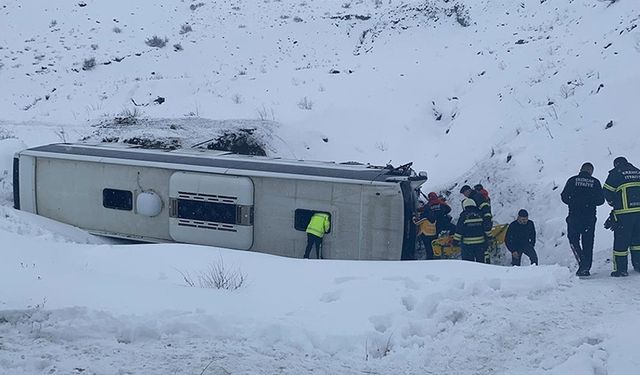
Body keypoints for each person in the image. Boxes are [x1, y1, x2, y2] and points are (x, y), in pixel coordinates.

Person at [561, 162, 605, 276]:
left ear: (581, 169)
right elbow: (601, 201)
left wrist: (574, 201)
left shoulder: (572, 180)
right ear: (591, 171)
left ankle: (582, 263)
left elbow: (564, 197)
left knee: (573, 239)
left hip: (574, 216)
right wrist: (589, 201)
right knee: (588, 242)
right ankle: (586, 267)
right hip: (589, 218)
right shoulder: (595, 182)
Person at [603, 157, 640, 277]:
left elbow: (607, 192)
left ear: (616, 164)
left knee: (621, 242)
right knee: (637, 241)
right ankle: (638, 265)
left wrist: (613, 203)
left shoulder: (616, 173)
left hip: (624, 214)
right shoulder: (637, 171)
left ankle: (621, 269)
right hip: (639, 213)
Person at [460, 185, 493, 262]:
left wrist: (486, 220)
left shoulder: (476, 197)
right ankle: (485, 262)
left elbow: (485, 209)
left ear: (468, 190)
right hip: (482, 222)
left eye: (464, 193)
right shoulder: (476, 196)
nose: (465, 195)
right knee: (483, 245)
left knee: (484, 245)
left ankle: (486, 263)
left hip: (483, 222)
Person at [452, 198, 487, 263]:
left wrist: (455, 241)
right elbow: (485, 227)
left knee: (468, 264)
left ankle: (470, 273)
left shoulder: (464, 215)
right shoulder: (481, 214)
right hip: (480, 244)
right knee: (480, 263)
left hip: (468, 245)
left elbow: (459, 230)